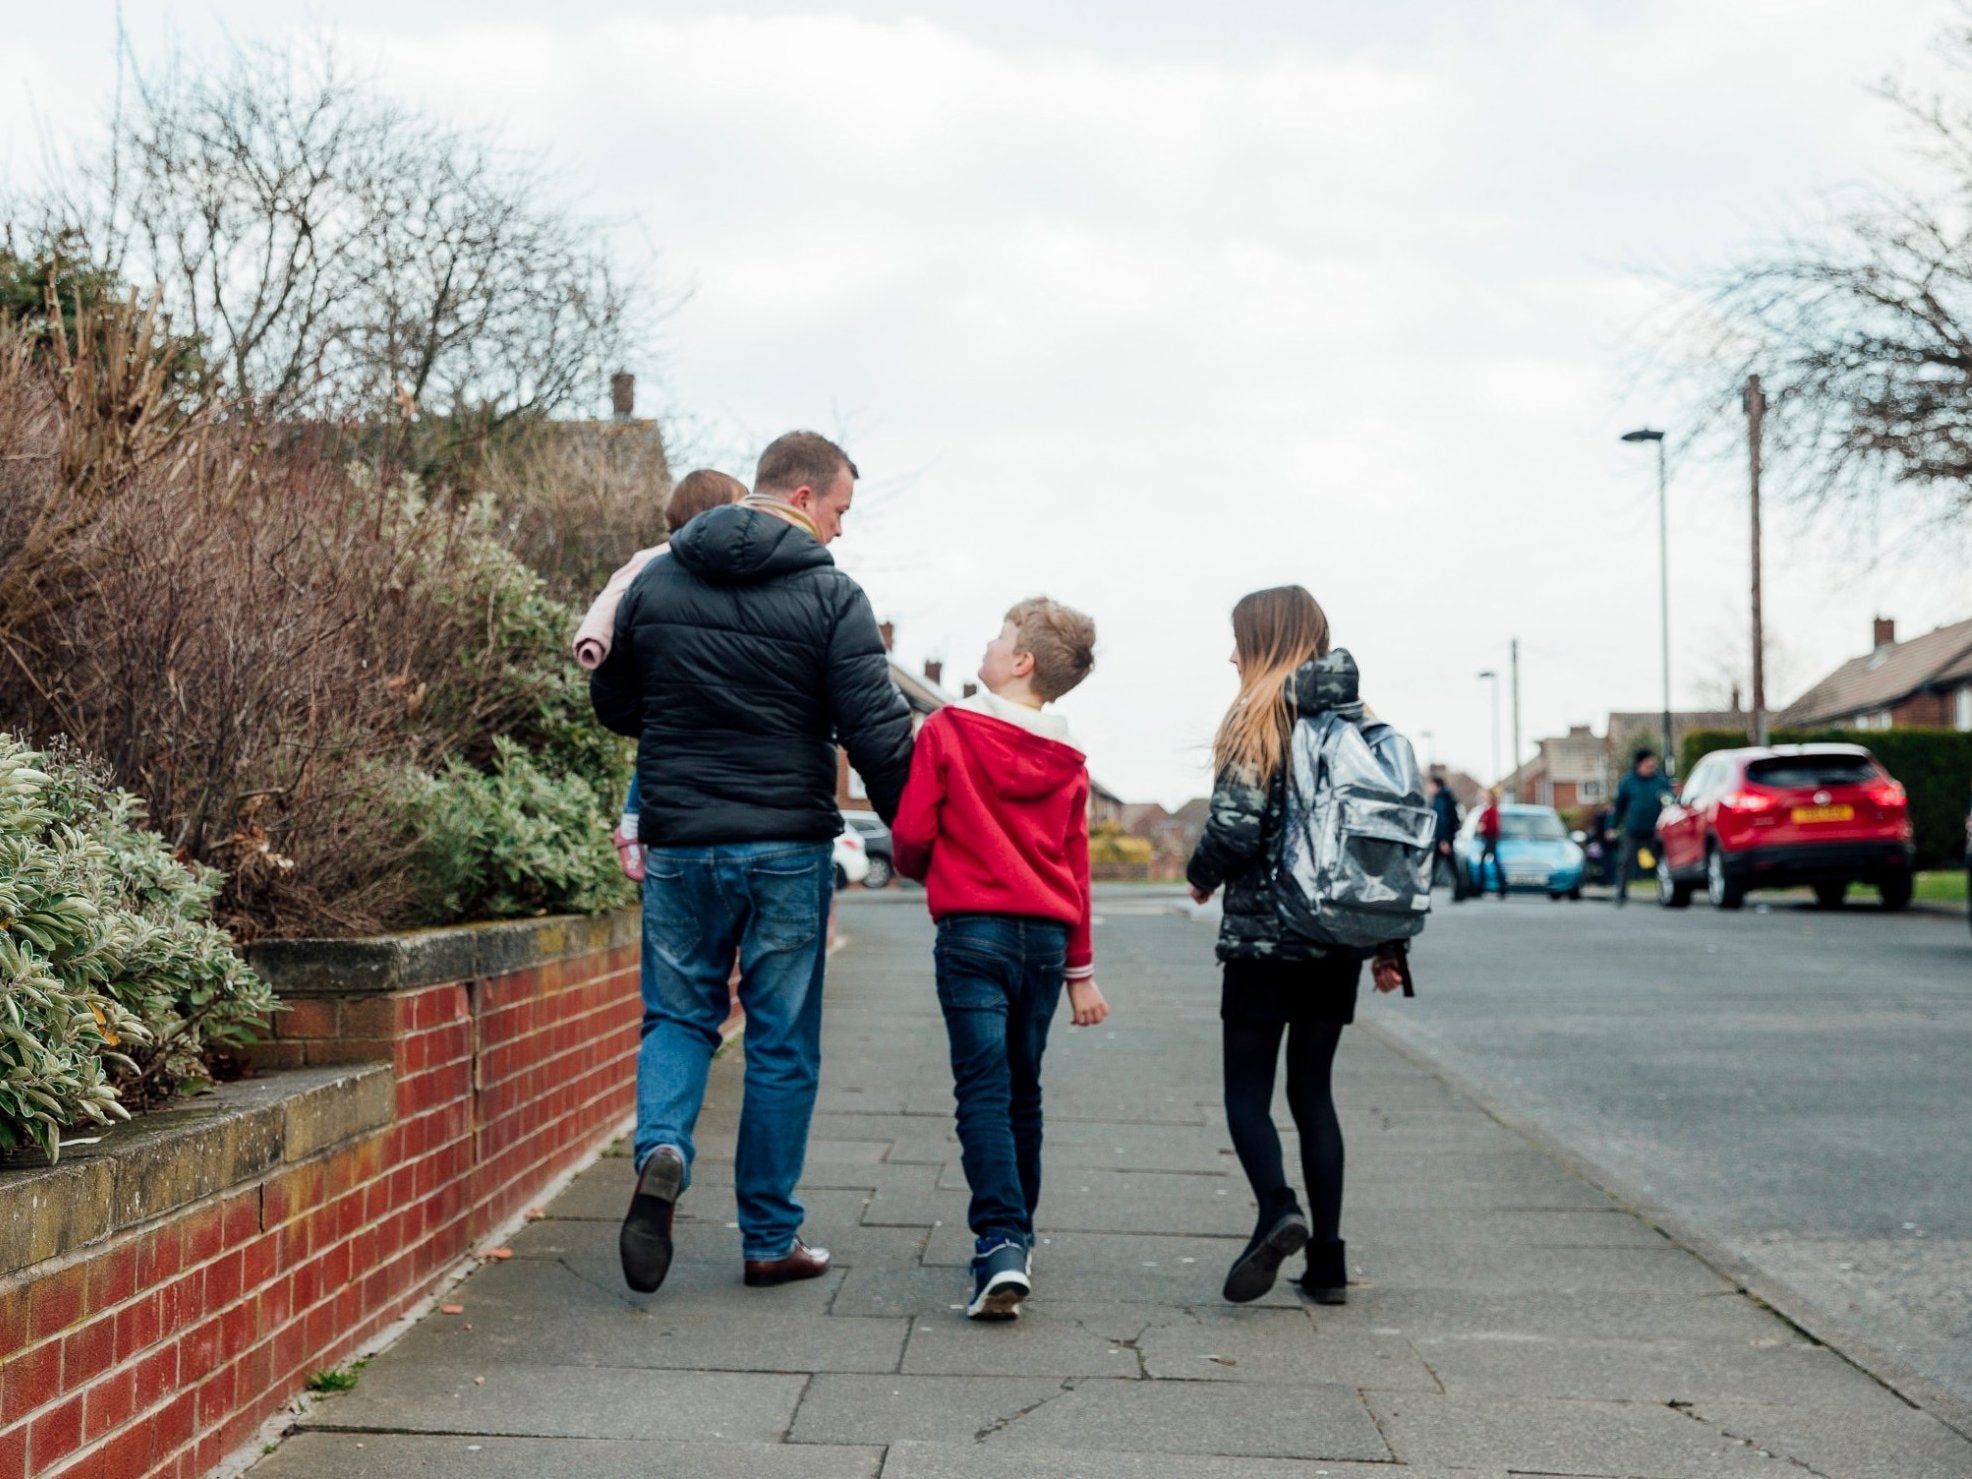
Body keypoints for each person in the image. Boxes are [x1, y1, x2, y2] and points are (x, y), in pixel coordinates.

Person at [590, 431, 914, 1294]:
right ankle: (769, 1237)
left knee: (678, 1016)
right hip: (783, 846)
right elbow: (876, 731)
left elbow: (614, 699)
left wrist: (684, 715)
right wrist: (918, 835)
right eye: (841, 509)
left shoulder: (656, 578)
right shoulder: (829, 593)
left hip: (683, 841)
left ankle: (661, 1146)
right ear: (804, 497)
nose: (841, 530)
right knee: (779, 1041)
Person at [1185, 586, 1408, 1306]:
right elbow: (1386, 844)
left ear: (1266, 641)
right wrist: (1390, 943)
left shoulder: (1256, 714)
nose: (1230, 654)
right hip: (1335, 939)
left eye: (1238, 640)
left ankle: (1279, 1208)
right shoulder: (1362, 724)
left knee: (1246, 1091)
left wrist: (1201, 873)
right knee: (1314, 1091)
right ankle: (1330, 1264)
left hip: (1262, 939)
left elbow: (1236, 826)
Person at [890, 597, 1110, 1320]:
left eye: (998, 636)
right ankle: (1020, 1233)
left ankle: (1000, 1242)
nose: (987, 645)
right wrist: (1082, 971)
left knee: (982, 1091)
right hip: (1045, 944)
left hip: (974, 933)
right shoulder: (1070, 759)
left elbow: (914, 831)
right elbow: (1076, 870)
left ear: (1020, 662)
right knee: (1023, 1088)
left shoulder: (949, 729)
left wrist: (937, 867)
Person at [569, 468, 750, 880]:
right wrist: (594, 640)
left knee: (661, 744)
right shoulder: (656, 561)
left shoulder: (723, 570)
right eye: (739, 508)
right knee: (657, 744)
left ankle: (634, 821)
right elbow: (611, 596)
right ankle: (630, 823)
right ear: (712, 514)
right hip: (664, 698)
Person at [1607, 748, 1669, 907]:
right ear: (1640, 764)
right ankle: (1621, 894)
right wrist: (1611, 827)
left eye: (1653, 763)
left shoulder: (1660, 781)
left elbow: (1669, 802)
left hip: (1655, 830)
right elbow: (1618, 806)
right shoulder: (1628, 781)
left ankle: (1665, 893)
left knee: (1661, 862)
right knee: (1626, 861)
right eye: (1649, 762)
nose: (1653, 765)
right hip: (1633, 829)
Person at [1429, 775, 1461, 899]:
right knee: (1449, 865)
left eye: (1430, 785)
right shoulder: (1447, 797)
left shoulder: (1440, 799)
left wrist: (1443, 840)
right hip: (1446, 837)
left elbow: (1442, 820)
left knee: (1435, 866)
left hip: (1442, 839)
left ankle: (1423, 892)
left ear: (1436, 786)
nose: (1429, 788)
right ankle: (1459, 891)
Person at [1476, 788, 1505, 899]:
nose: (1482, 796)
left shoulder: (1492, 810)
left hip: (1490, 839)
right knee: (1494, 863)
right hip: (1488, 839)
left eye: (1485, 795)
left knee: (1484, 863)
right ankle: (1501, 887)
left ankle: (1482, 888)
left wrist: (1483, 829)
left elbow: (1493, 827)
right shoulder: (1487, 810)